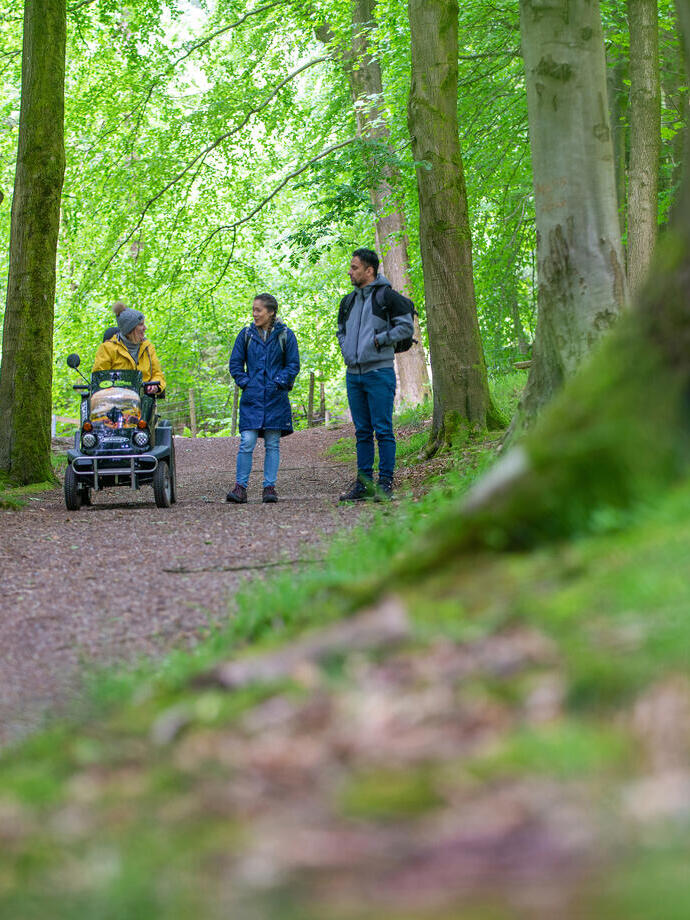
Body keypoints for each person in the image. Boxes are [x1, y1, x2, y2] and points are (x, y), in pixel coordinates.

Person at [337, 248, 414, 501]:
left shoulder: (387, 296)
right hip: (353, 375)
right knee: (362, 431)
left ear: (369, 271)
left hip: (379, 372)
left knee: (383, 429)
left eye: (355, 267)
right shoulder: (347, 301)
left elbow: (405, 327)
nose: (350, 271)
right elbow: (341, 331)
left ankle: (385, 485)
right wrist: (347, 350)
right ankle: (364, 485)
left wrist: (380, 341)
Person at [226, 293, 300, 504]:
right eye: (253, 309)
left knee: (272, 443)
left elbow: (293, 365)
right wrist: (247, 383)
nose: (254, 313)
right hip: (252, 398)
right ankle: (240, 488)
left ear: (271, 312)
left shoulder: (286, 335)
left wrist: (278, 382)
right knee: (246, 442)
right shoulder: (246, 334)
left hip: (276, 398)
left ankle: (269, 487)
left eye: (258, 310)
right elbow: (235, 364)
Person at [93, 301, 166, 395]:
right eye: (141, 324)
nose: (145, 328)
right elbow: (99, 379)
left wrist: (155, 385)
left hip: (144, 402)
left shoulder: (148, 348)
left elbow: (158, 374)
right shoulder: (107, 349)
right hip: (115, 403)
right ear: (130, 329)